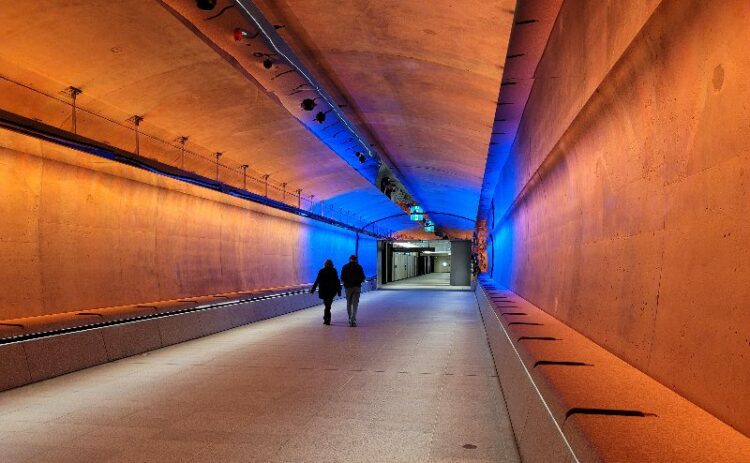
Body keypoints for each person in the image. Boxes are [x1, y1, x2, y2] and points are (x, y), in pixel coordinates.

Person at [310, 259, 341, 325]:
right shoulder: (334, 271)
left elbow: (317, 281)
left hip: (324, 291)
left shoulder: (322, 271)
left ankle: (326, 318)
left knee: (327, 304)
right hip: (331, 291)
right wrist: (339, 291)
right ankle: (327, 318)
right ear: (331, 264)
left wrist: (313, 290)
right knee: (328, 305)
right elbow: (337, 281)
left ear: (325, 264)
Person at [340, 254, 366, 327]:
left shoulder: (345, 267)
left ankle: (350, 318)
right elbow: (363, 277)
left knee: (349, 302)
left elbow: (342, 278)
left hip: (348, 287)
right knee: (355, 304)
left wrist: (346, 282)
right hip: (357, 287)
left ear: (350, 259)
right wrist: (359, 281)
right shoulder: (359, 267)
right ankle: (353, 320)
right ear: (356, 260)